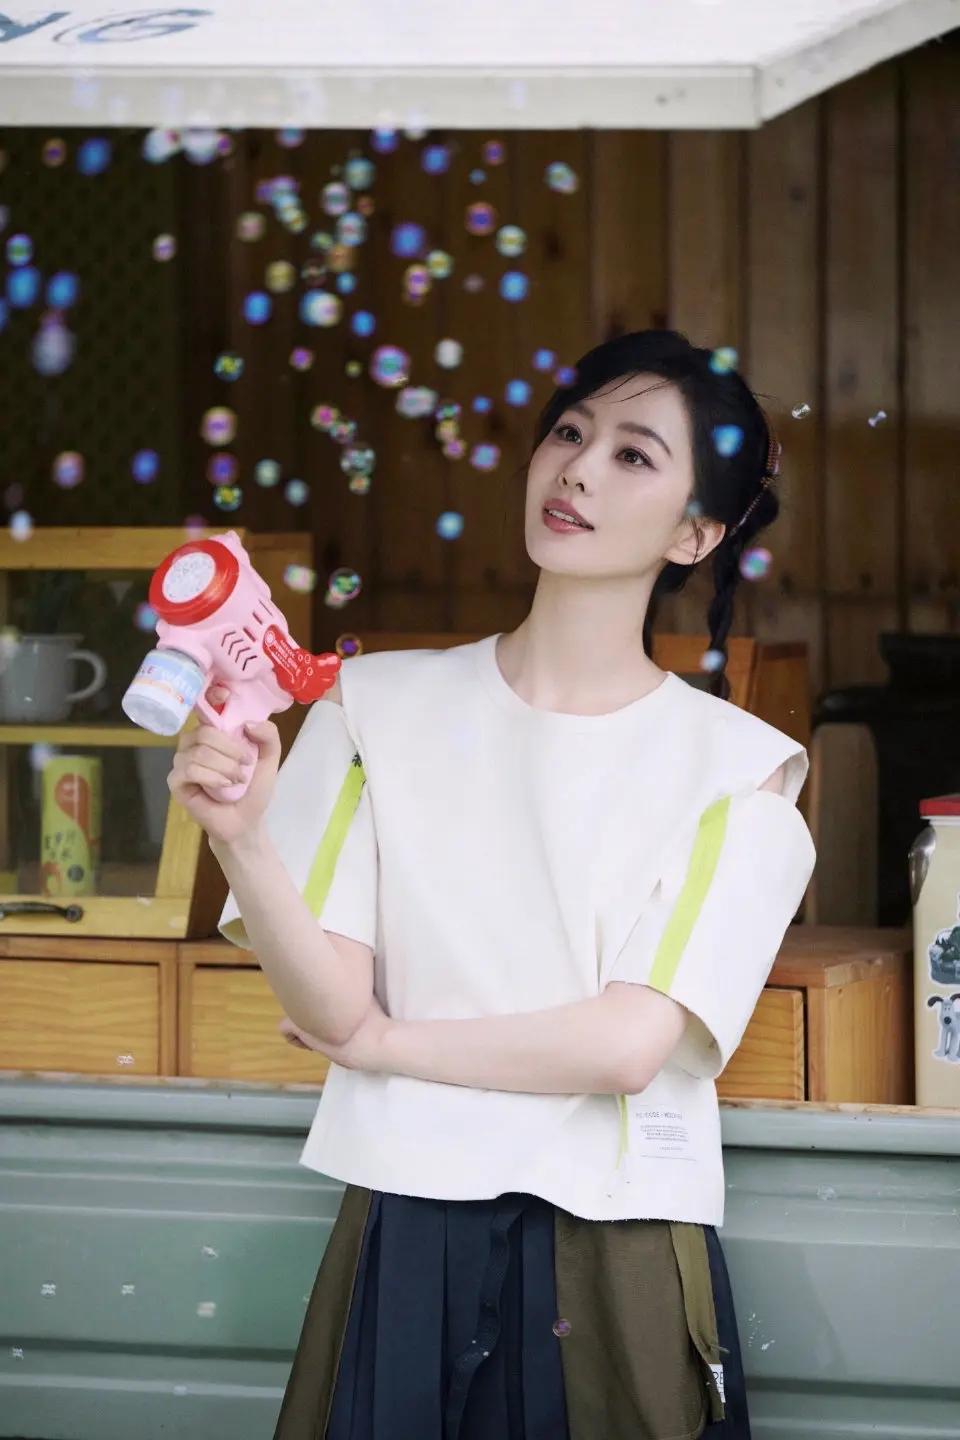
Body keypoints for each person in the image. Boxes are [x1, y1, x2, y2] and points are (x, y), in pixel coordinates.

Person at [169, 329, 816, 1440]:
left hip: (617, 1236)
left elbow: (626, 1046)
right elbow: (327, 1000)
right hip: (403, 1218)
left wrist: (384, 1045)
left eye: (632, 454)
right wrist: (241, 838)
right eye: (568, 432)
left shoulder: (743, 769)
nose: (577, 468)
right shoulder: (370, 705)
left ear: (697, 533)